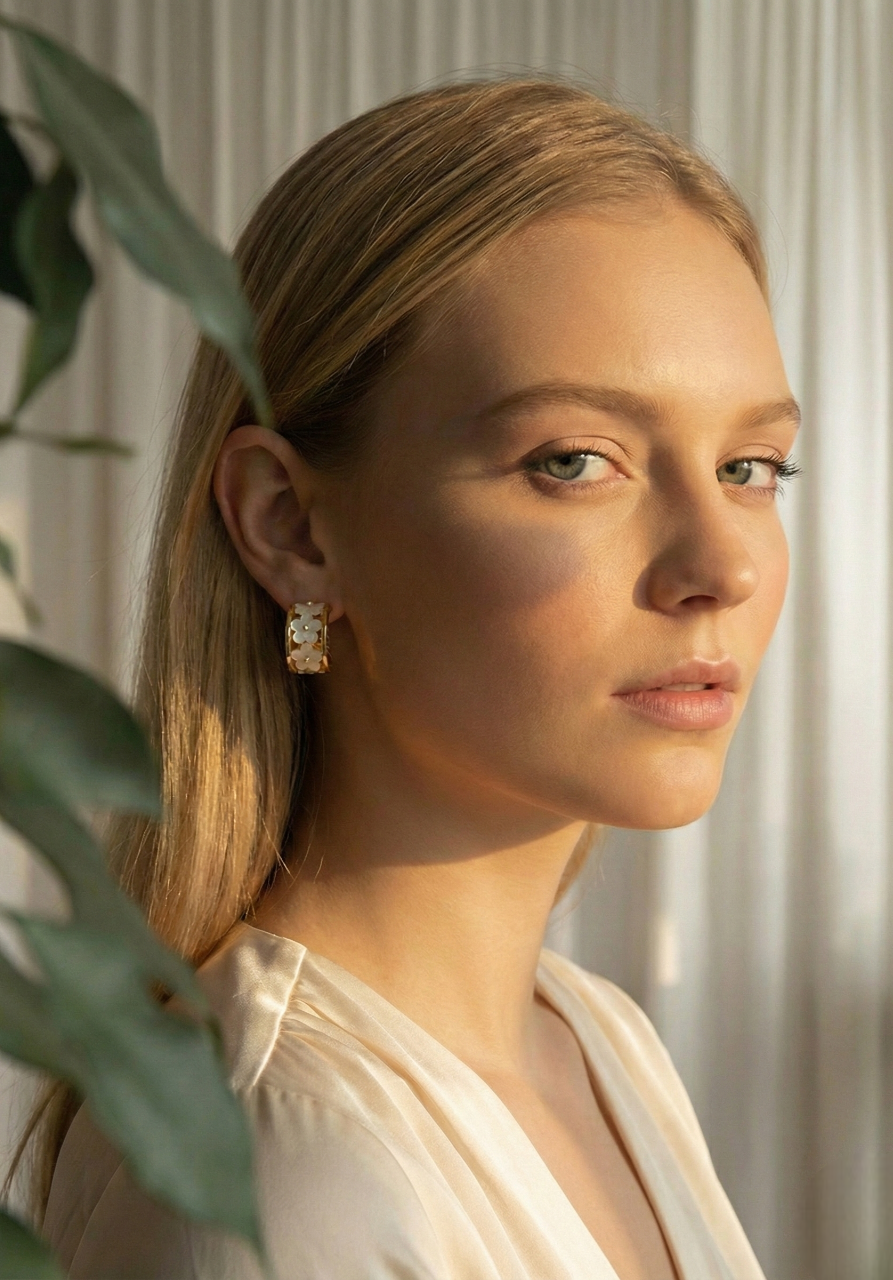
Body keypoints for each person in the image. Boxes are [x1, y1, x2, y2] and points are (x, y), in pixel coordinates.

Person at [40, 78, 799, 1279]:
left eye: (751, 466)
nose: (722, 566)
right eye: (573, 460)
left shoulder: (595, 1041)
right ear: (291, 526)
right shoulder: (287, 1169)